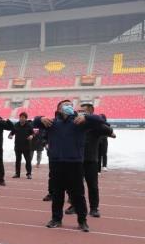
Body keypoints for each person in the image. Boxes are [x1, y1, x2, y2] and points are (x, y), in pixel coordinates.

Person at [33, 99, 107, 232]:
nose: (68, 107)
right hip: (56, 163)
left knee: (78, 194)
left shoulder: (80, 122)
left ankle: (82, 221)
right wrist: (41, 118)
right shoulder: (52, 123)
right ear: (59, 109)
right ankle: (56, 219)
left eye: (70, 105)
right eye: (65, 105)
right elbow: (34, 122)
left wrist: (86, 116)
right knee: (57, 194)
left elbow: (101, 120)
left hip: (75, 163)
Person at [65, 103, 115, 218]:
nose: (80, 113)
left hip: (91, 160)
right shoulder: (75, 123)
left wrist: (91, 121)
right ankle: (74, 206)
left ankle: (94, 208)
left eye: (83, 111)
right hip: (77, 159)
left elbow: (110, 131)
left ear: (90, 112)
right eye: (79, 111)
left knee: (92, 185)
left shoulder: (95, 125)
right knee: (75, 185)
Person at [9, 112, 34, 179]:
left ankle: (29, 174)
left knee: (28, 160)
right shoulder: (16, 125)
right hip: (18, 146)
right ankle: (17, 174)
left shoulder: (29, 125)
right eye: (21, 117)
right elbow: (11, 133)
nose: (22, 118)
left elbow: (33, 133)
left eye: (23, 117)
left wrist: (31, 136)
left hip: (26, 146)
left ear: (26, 118)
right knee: (18, 160)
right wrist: (10, 136)